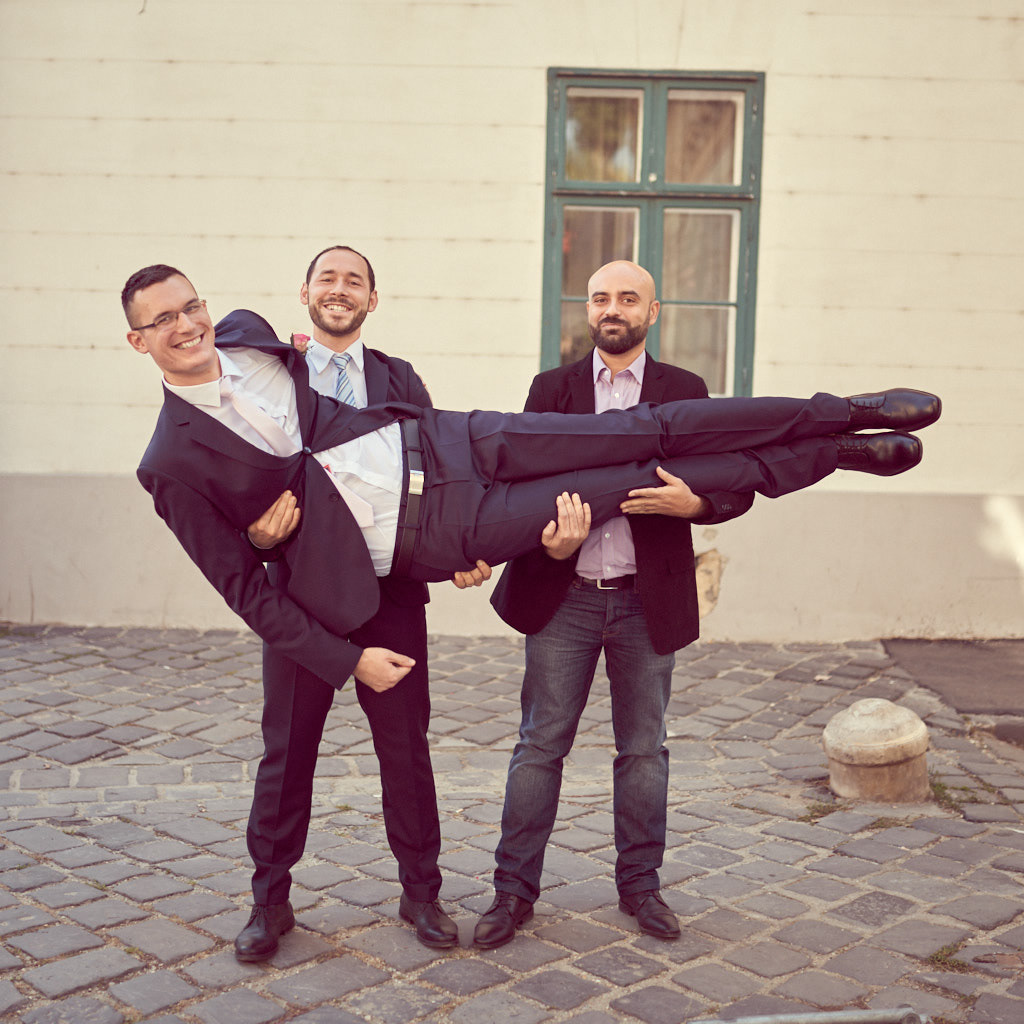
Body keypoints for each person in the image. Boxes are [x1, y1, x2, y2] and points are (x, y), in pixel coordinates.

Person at [123, 263, 938, 951]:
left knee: (646, 433)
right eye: (163, 320)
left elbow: (360, 407)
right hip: (368, 569)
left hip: (455, 450)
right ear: (139, 342)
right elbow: (243, 584)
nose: (185, 324)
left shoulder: (252, 337)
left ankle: (843, 419)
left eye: (190, 306)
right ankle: (269, 903)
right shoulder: (169, 461)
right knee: (288, 755)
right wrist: (298, 589)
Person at [477, 260, 747, 948]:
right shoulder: (551, 389)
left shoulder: (685, 390)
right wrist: (554, 545)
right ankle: (512, 893)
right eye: (601, 298)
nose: (612, 309)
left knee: (644, 750)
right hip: (563, 598)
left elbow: (732, 482)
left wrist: (695, 504)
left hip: (646, 600)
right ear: (588, 309)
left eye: (628, 298)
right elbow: (517, 490)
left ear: (653, 312)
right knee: (540, 746)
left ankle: (641, 888)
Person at [232, 246, 488, 959]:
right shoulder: (274, 376)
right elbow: (241, 476)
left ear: (372, 300)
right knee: (287, 754)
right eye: (328, 278)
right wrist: (254, 535)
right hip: (301, 598)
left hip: (391, 593)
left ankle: (422, 893)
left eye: (354, 280)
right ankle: (269, 903)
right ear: (305, 293)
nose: (339, 289)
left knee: (405, 751)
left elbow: (441, 473)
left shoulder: (399, 378)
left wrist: (461, 551)